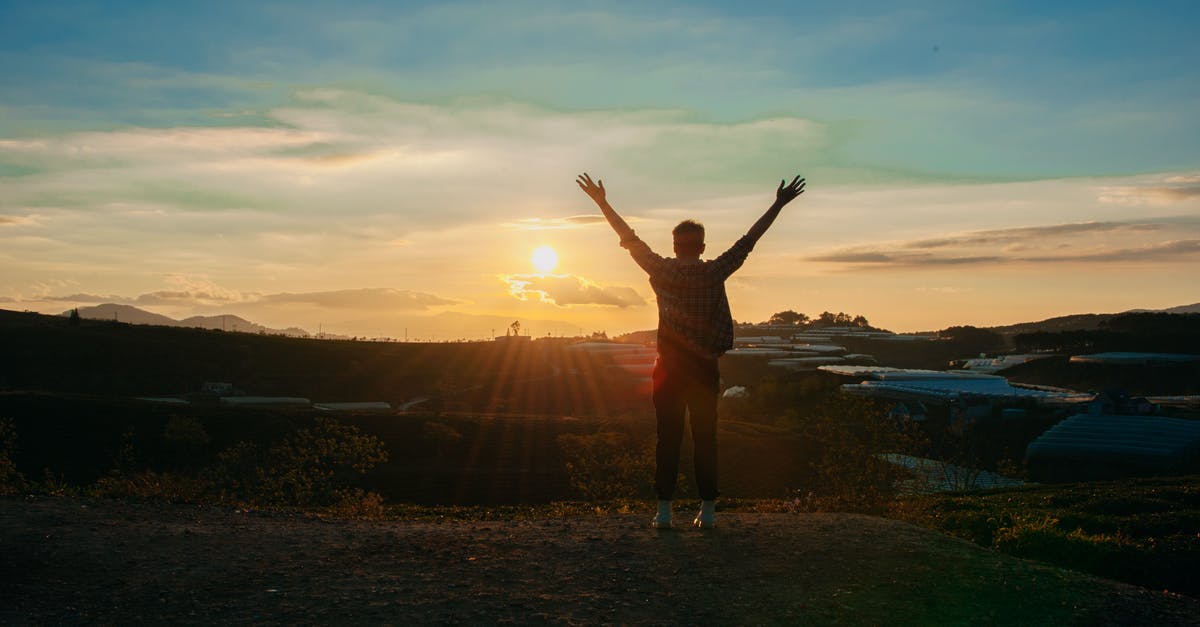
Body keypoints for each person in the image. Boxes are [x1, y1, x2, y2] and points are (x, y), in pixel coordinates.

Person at [576, 172, 806, 529]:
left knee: (668, 439)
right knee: (705, 438)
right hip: (703, 369)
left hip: (667, 370)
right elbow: (749, 240)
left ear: (674, 245)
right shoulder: (714, 271)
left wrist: (602, 202)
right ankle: (708, 510)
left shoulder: (660, 269)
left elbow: (628, 237)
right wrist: (778, 203)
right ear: (701, 246)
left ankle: (664, 511)